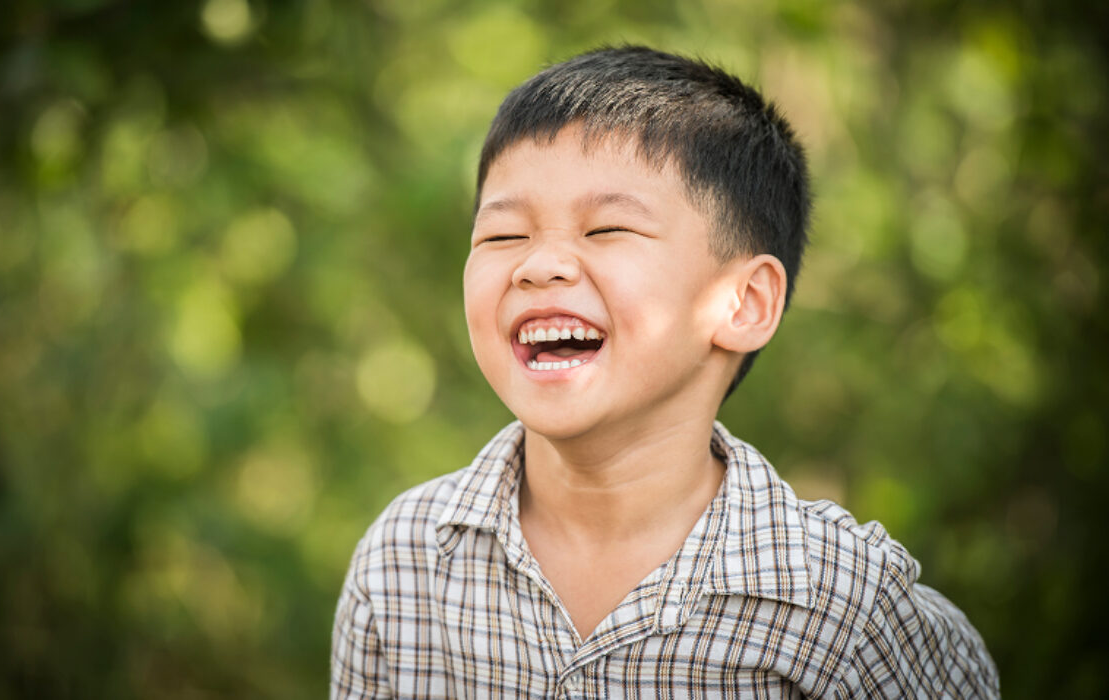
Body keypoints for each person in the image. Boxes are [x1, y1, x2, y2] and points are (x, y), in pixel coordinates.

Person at [331, 46, 999, 698]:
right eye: (504, 236)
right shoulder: (402, 565)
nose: (539, 266)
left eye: (607, 230)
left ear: (743, 303)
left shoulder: (845, 609)